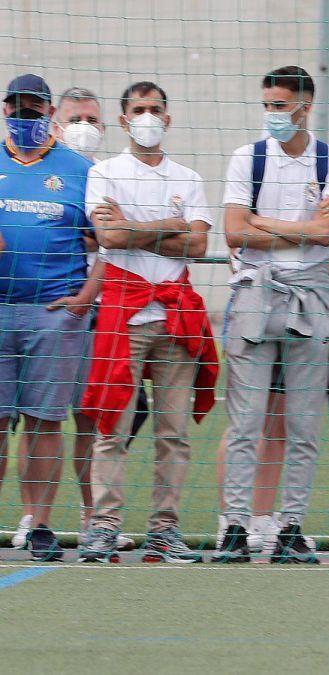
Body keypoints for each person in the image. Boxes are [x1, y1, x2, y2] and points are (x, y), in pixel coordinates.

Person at [212, 65, 329, 564]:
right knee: (246, 421)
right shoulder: (245, 159)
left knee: (303, 423)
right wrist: (299, 227)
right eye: (267, 105)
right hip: (255, 291)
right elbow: (233, 233)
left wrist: (263, 223)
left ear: (304, 106)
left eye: (281, 106)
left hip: (311, 292)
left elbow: (324, 234)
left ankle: (291, 526)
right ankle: (234, 525)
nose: (272, 115)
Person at [77, 81, 217, 563]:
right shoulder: (104, 173)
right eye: (139, 109)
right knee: (111, 424)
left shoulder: (189, 177)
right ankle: (104, 525)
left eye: (156, 109)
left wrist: (134, 231)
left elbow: (198, 246)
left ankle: (165, 530)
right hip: (124, 311)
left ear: (169, 117)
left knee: (173, 431)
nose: (148, 117)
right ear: (123, 119)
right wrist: (169, 224)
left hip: (175, 313)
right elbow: (108, 236)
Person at [0, 73, 99, 562]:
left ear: (49, 113)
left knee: (43, 422)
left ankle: (39, 524)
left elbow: (109, 243)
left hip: (54, 311)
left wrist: (86, 295)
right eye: (17, 108)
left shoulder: (80, 168)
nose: (26, 117)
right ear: (4, 110)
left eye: (35, 109)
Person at [54, 86, 105, 158]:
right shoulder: (41, 168)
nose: (84, 128)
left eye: (91, 121)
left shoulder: (107, 169)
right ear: (57, 130)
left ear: (102, 130)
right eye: (75, 120)